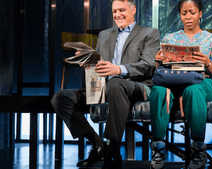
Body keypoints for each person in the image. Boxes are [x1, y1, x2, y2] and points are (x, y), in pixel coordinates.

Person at [51, 0, 160, 168]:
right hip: (106, 87)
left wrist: (118, 69)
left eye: (121, 10)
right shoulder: (104, 35)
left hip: (136, 86)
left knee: (116, 83)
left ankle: (112, 152)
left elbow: (148, 65)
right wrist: (89, 62)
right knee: (61, 97)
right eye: (114, 11)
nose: (117, 15)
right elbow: (101, 65)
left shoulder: (149, 33)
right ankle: (99, 145)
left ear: (134, 10)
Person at [149, 0, 212, 169]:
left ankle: (198, 148)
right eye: (184, 13)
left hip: (203, 81)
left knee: (194, 89)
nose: (188, 17)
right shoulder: (170, 38)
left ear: (200, 14)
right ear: (180, 15)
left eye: (192, 12)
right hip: (174, 81)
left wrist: (207, 61)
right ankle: (158, 148)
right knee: (159, 90)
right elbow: (159, 71)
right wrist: (158, 60)